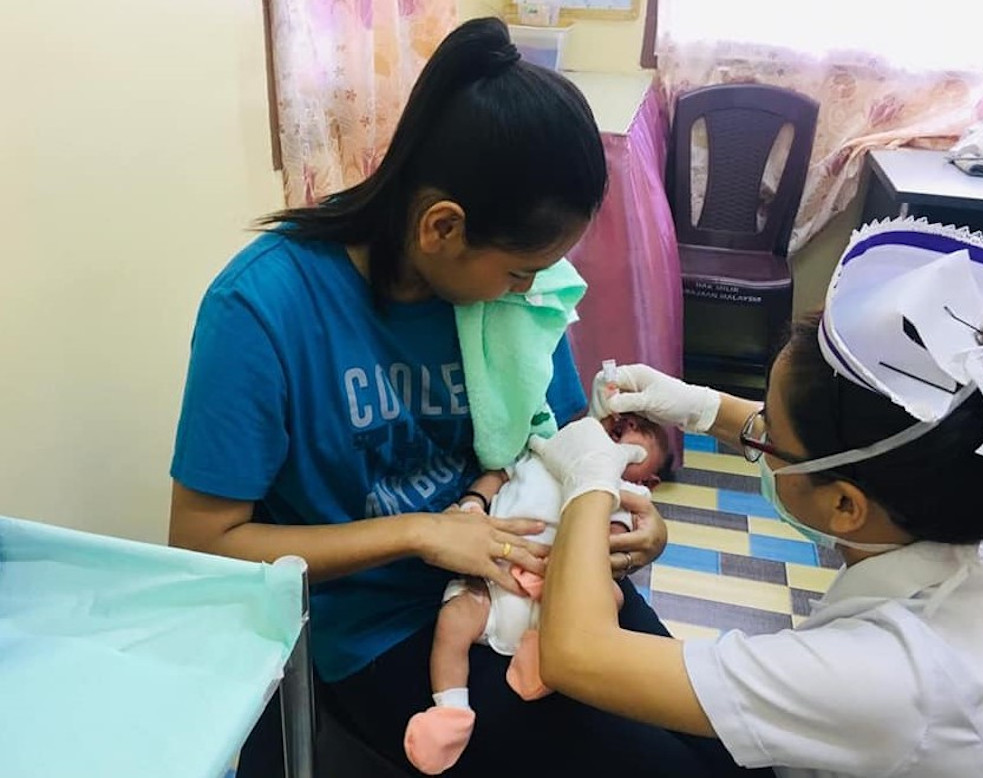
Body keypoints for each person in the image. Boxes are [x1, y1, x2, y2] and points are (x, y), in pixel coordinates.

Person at [168, 17, 755, 778]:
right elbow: (205, 543)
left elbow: (562, 430)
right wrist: (419, 534)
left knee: (734, 746)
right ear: (442, 227)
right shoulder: (265, 309)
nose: (530, 293)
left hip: (534, 582)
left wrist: (619, 511)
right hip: (386, 630)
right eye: (518, 272)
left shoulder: (507, 304)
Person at [530, 218, 983, 778]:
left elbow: (575, 656)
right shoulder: (957, 515)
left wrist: (590, 479)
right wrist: (699, 406)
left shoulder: (893, 678)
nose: (757, 431)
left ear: (846, 507)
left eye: (769, 428)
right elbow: (813, 449)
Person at [403, 412, 670, 775]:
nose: (633, 426)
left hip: (558, 592)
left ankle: (545, 656)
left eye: (645, 433)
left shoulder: (625, 490)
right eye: (628, 422)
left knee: (612, 596)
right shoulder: (545, 449)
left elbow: (613, 541)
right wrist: (473, 504)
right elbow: (499, 474)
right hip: (491, 575)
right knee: (453, 620)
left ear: (649, 479)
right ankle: (450, 709)